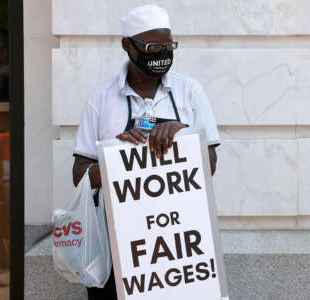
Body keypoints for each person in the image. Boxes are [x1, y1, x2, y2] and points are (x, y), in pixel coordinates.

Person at [72, 5, 221, 299]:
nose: (163, 53)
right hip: (117, 244)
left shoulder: (189, 92)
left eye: (168, 46)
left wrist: (183, 135)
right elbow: (79, 175)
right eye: (153, 47)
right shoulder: (101, 99)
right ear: (127, 45)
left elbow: (210, 163)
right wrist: (117, 159)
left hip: (180, 244)